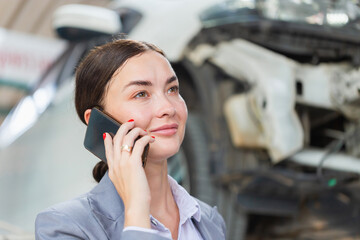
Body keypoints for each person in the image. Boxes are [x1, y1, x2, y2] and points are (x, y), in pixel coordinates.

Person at [35, 38, 226, 239]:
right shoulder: (65, 226)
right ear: (98, 121)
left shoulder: (209, 220)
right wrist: (136, 208)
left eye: (172, 89)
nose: (168, 108)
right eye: (141, 94)